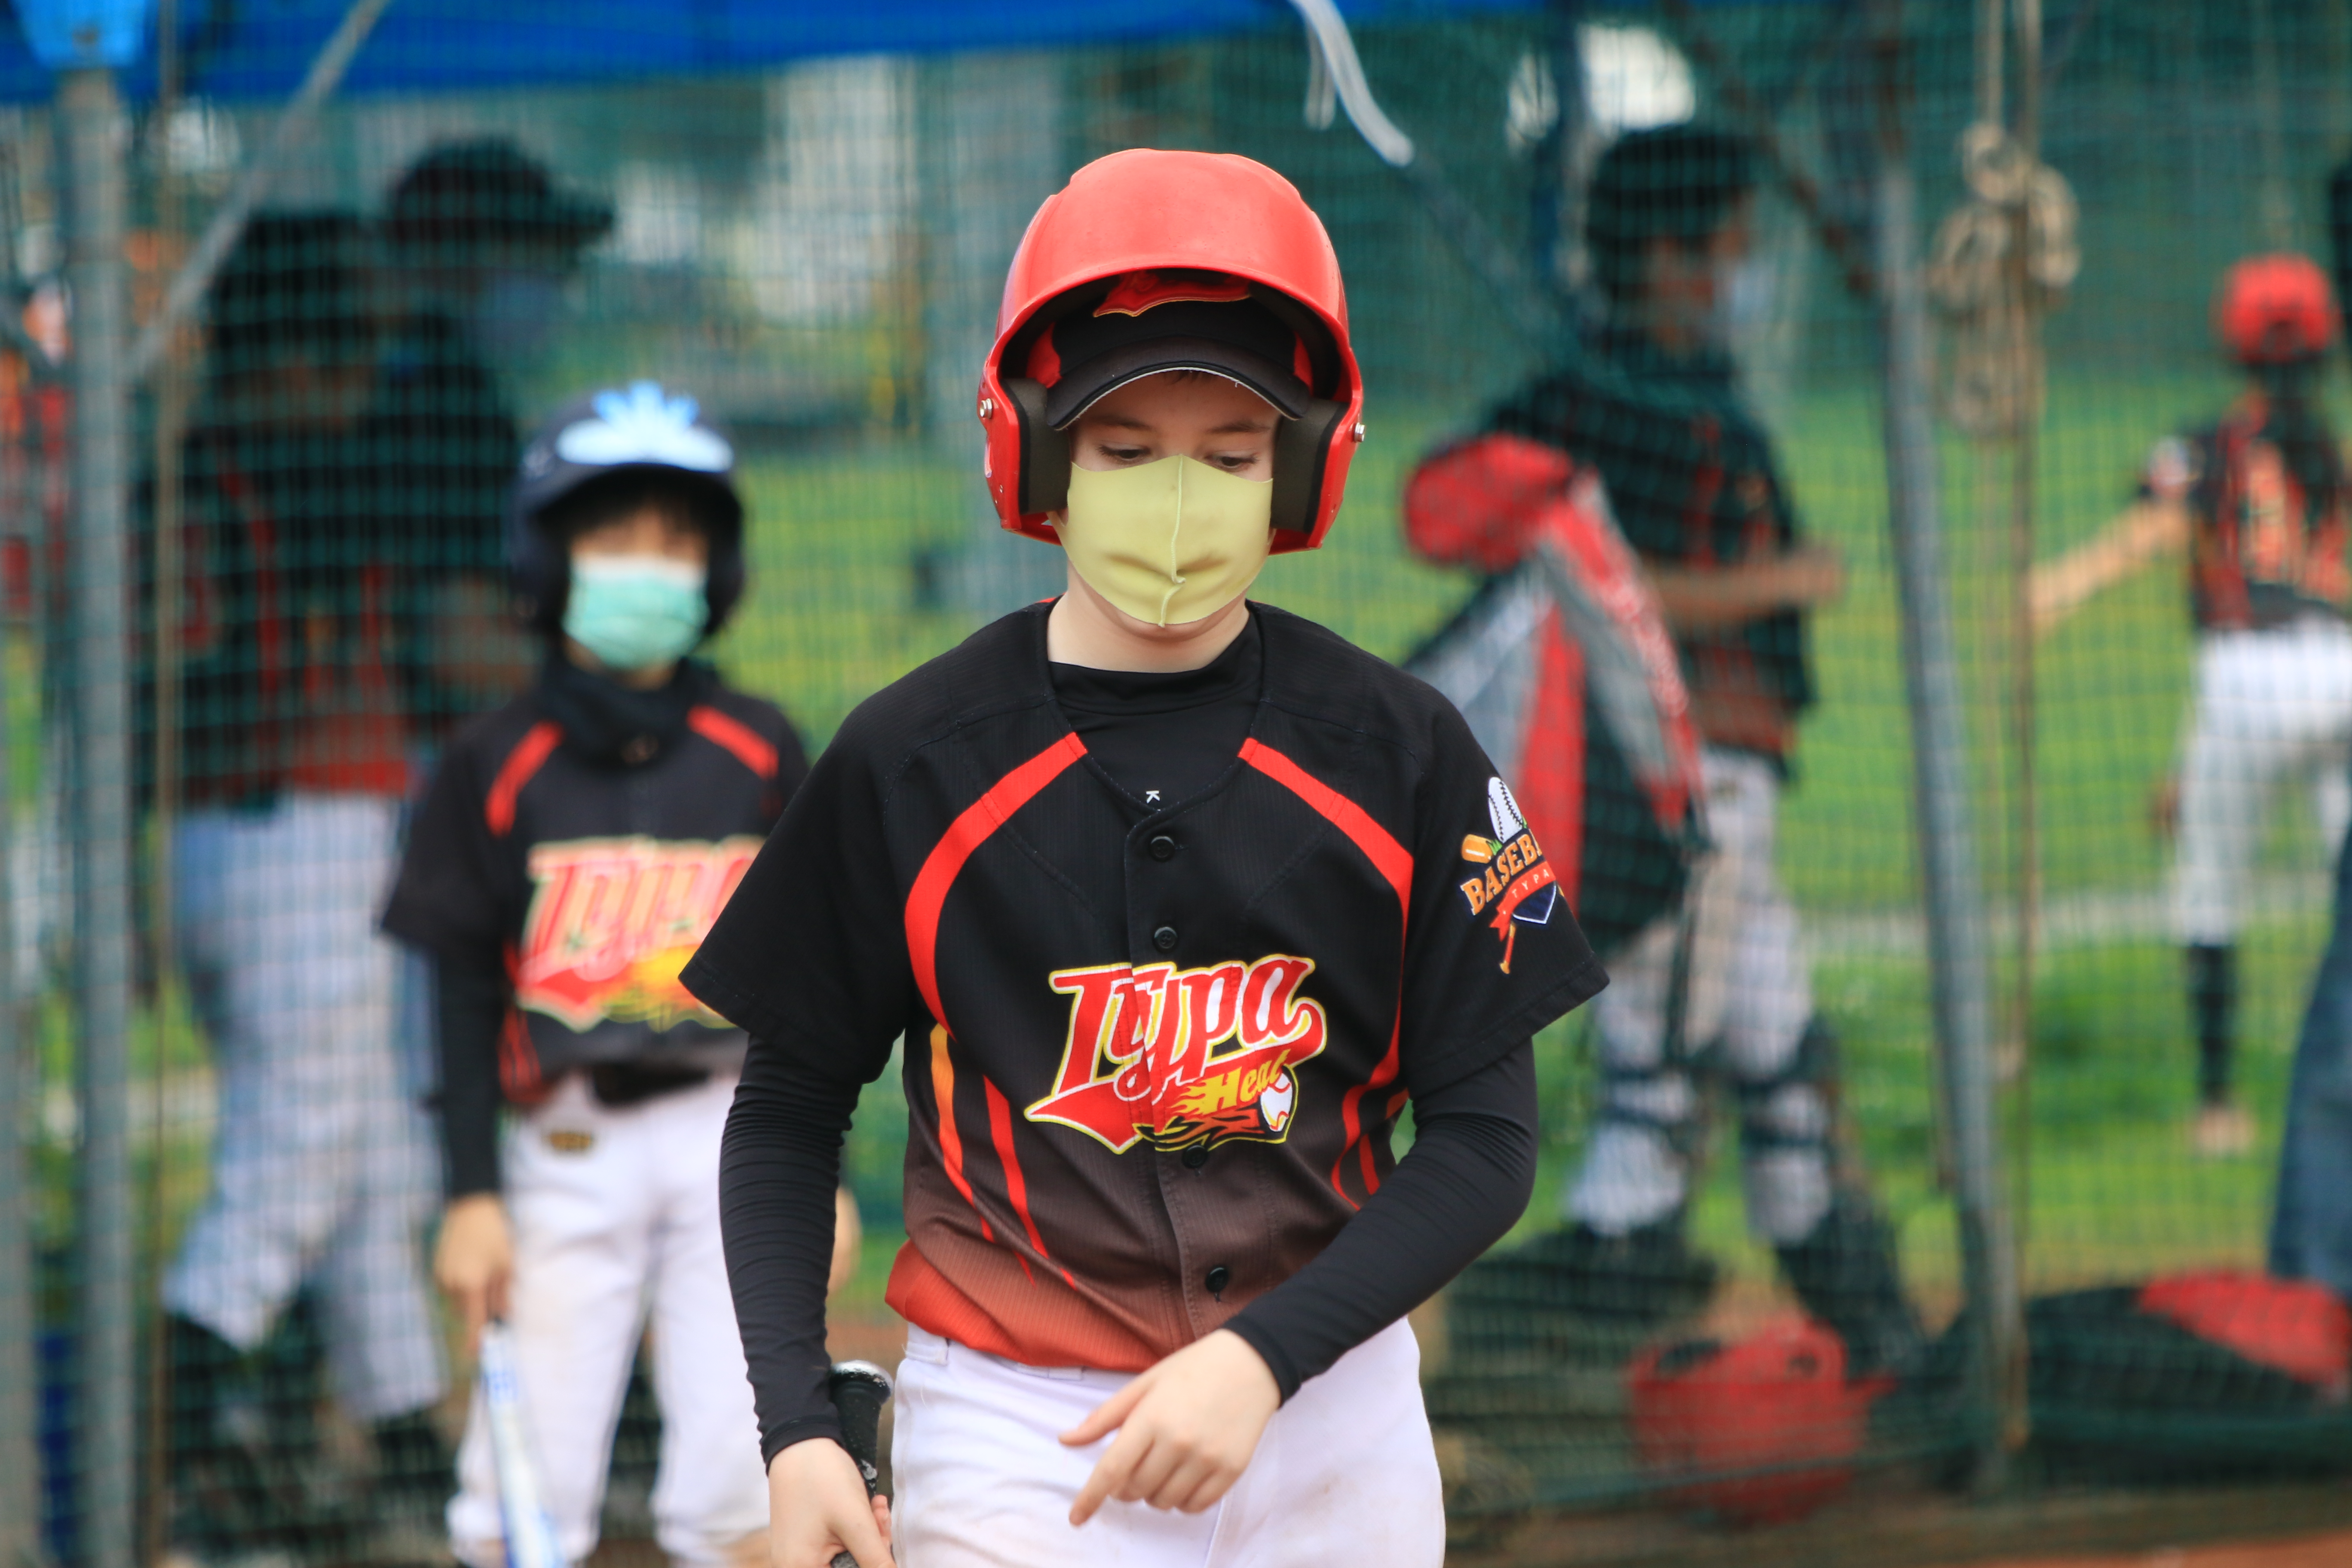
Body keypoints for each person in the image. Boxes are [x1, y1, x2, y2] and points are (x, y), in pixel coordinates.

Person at [681, 148, 1608, 1568]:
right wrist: (797, 1423)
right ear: (1036, 455)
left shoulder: (1402, 749)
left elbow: (1486, 1137)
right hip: (1019, 1424)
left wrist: (1264, 1356)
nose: (1179, 497)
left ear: (1304, 467)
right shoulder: (912, 760)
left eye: (1230, 454)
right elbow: (788, 1110)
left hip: (1330, 1398)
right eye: (1124, 449)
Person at [1458, 124, 1918, 1378]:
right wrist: (1785, 580)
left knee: (1783, 1066)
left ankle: (1875, 1345)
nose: (1743, 272)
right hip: (1671, 786)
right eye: (1728, 249)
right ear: (1667, 259)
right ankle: (1574, 1336)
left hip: (1726, 785)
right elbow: (1605, 587)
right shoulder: (1623, 405)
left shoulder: (1673, 391)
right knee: (1660, 1072)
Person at [379, 381, 815, 1568]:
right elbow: (459, 993)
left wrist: (812, 1169)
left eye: (676, 542)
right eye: (614, 537)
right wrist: (470, 1195)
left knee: (743, 1476)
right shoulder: (493, 761)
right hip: (564, 1148)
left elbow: (812, 983)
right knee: (524, 1487)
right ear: (545, 558)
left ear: (718, 566)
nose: (649, 567)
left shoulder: (760, 746)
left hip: (732, 1136)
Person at [153, 210, 457, 1565]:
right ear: (291, 359)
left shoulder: (178, 469)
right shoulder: (305, 465)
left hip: (218, 847)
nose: (364, 381)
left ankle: (412, 1466)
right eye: (345, 354)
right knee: (293, 1170)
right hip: (306, 843)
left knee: (372, 1162)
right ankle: (157, 1436)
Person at [2030, 254, 2352, 1158]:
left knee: (2209, 892)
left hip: (2244, 678)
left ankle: (2218, 1106)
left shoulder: (2210, 444)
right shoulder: (2331, 452)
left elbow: (2160, 523)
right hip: (2341, 666)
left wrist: (2058, 588)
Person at [359, 138, 614, 732]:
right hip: (416, 749)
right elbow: (460, 648)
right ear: (451, 260)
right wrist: (621, 685)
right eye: (539, 257)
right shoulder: (446, 403)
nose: (558, 283)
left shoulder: (393, 382)